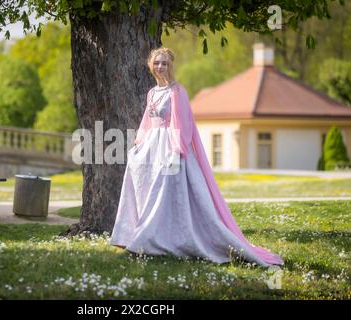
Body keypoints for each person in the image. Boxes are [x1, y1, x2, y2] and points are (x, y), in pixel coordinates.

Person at [109, 47, 283, 267]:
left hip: (171, 147)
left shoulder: (177, 91)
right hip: (152, 147)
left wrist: (176, 151)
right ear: (150, 66)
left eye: (164, 63)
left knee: (165, 193)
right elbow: (146, 121)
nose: (160, 66)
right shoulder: (152, 93)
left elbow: (182, 124)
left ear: (171, 66)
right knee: (144, 187)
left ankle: (163, 238)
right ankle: (136, 234)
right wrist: (139, 144)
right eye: (157, 63)